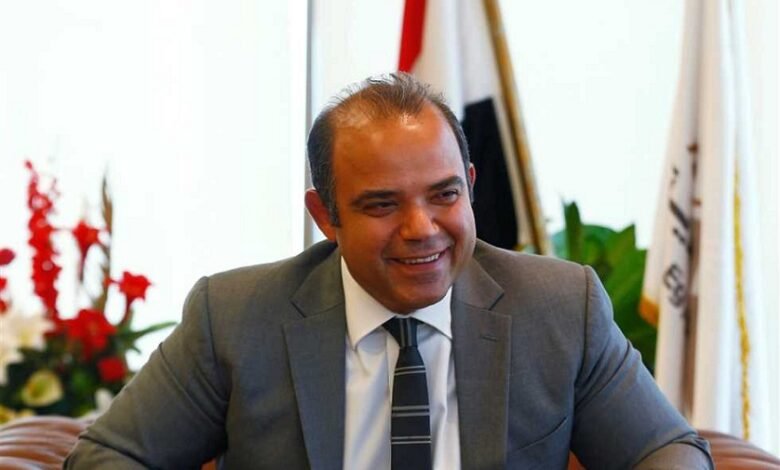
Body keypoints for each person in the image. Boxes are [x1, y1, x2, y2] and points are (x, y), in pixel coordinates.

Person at [65, 73, 712, 469]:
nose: (421, 228)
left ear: (471, 185)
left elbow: (668, 451)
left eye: (444, 195)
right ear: (326, 216)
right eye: (381, 205)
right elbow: (108, 456)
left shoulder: (559, 307)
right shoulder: (235, 317)